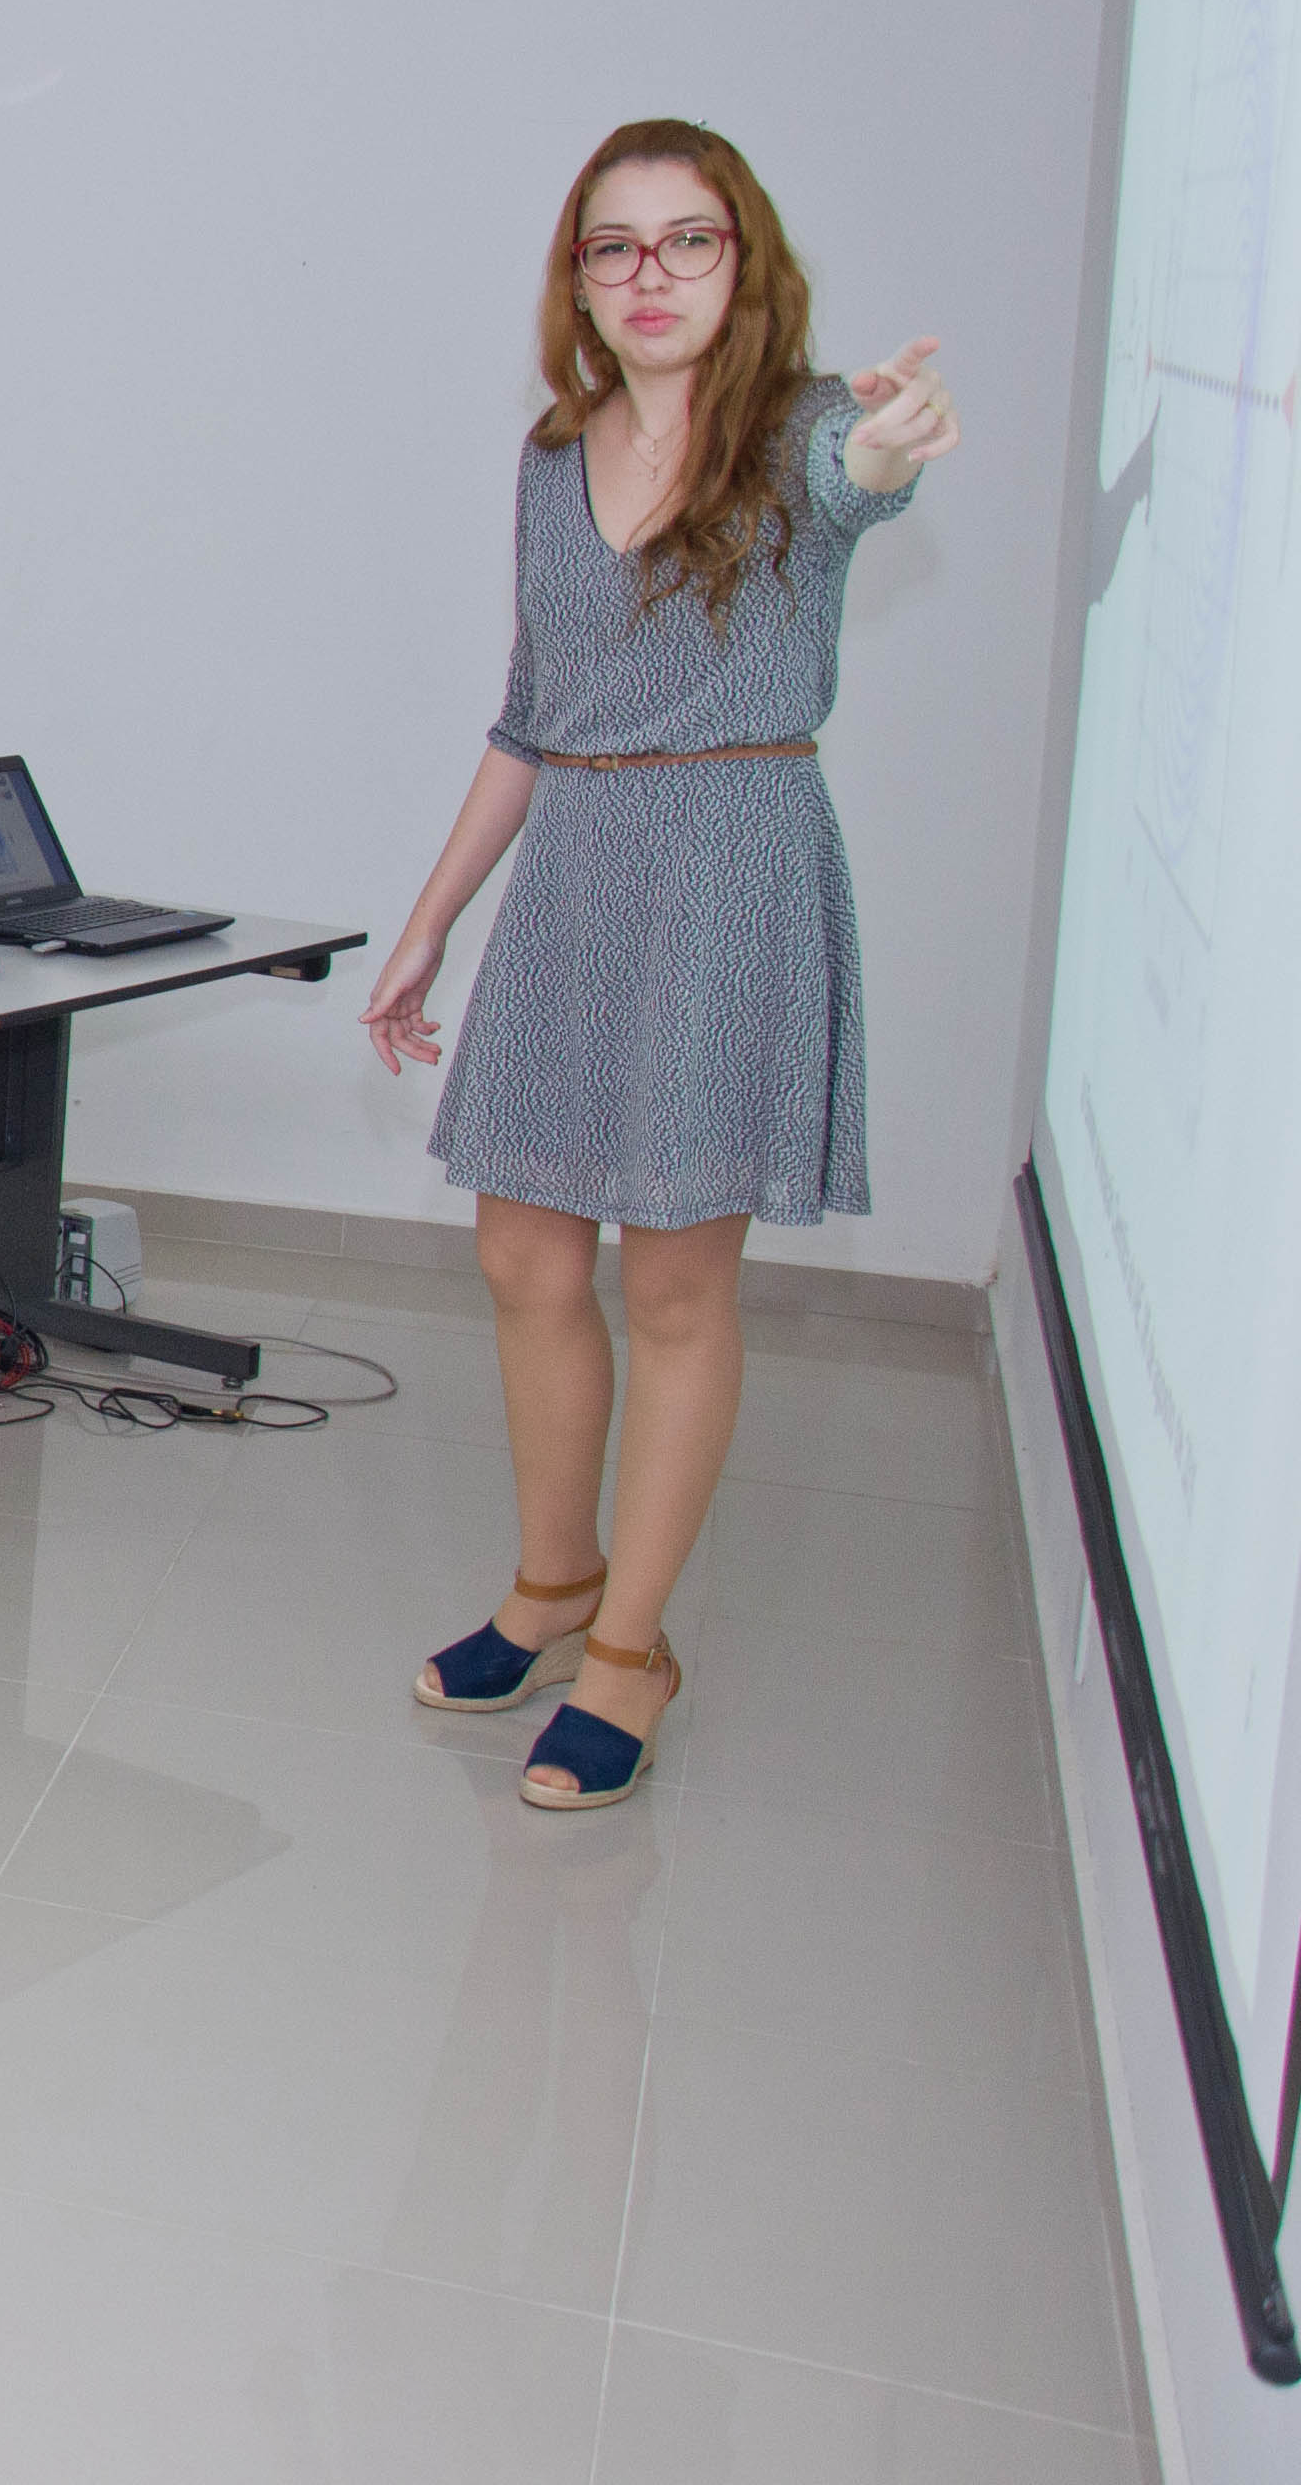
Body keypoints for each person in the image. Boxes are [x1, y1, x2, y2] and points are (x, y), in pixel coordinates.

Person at [361, 121, 960, 1810]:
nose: (648, 274)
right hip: (574, 870)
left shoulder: (805, 430)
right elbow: (527, 715)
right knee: (523, 1257)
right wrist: (429, 920)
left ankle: (631, 1647)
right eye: (612, 245)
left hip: (727, 869)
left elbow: (871, 471)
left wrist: (895, 440)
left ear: (741, 261)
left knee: (678, 1285)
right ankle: (552, 1588)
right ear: (578, 278)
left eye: (687, 240)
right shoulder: (552, 457)